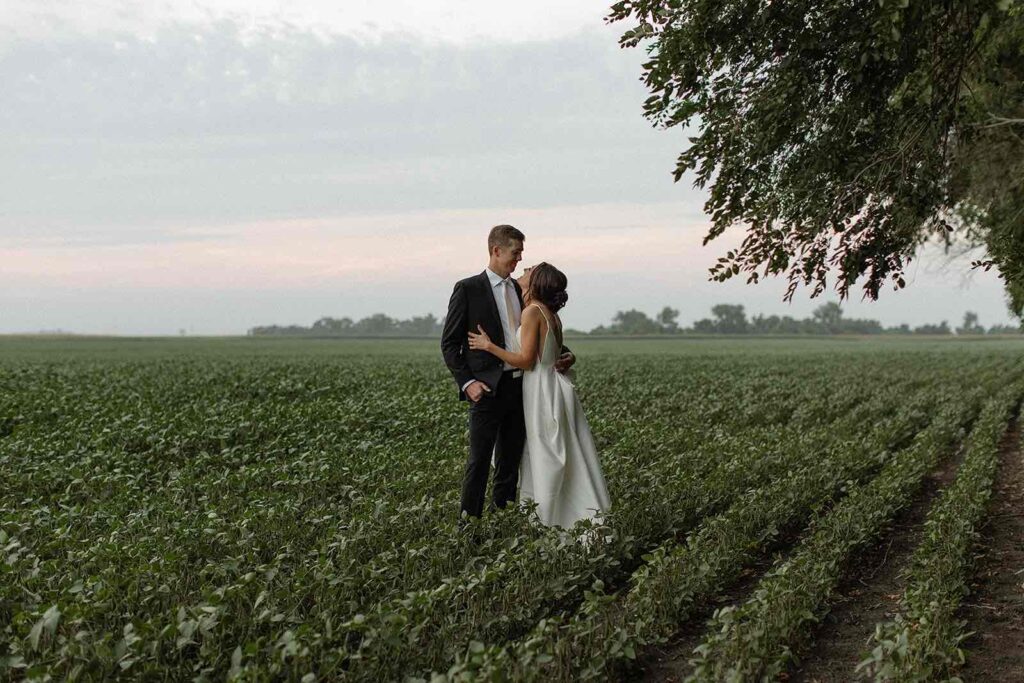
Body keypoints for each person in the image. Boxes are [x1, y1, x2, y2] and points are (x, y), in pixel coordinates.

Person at [441, 226, 576, 520]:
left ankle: (501, 523)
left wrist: (566, 354)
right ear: (496, 250)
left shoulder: (521, 289)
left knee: (509, 463)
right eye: (515, 254)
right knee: (478, 463)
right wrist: (467, 383)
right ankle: (470, 529)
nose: (519, 260)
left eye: (521, 255)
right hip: (486, 389)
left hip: (521, 388)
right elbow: (450, 344)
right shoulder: (467, 289)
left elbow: (540, 335)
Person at [467, 262, 611, 529]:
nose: (522, 271)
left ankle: (549, 520)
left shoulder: (533, 311)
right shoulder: (549, 313)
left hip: (540, 390)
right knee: (560, 453)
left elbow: (525, 361)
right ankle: (568, 515)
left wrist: (489, 346)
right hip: (552, 386)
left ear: (535, 283)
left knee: (545, 455)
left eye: (527, 271)